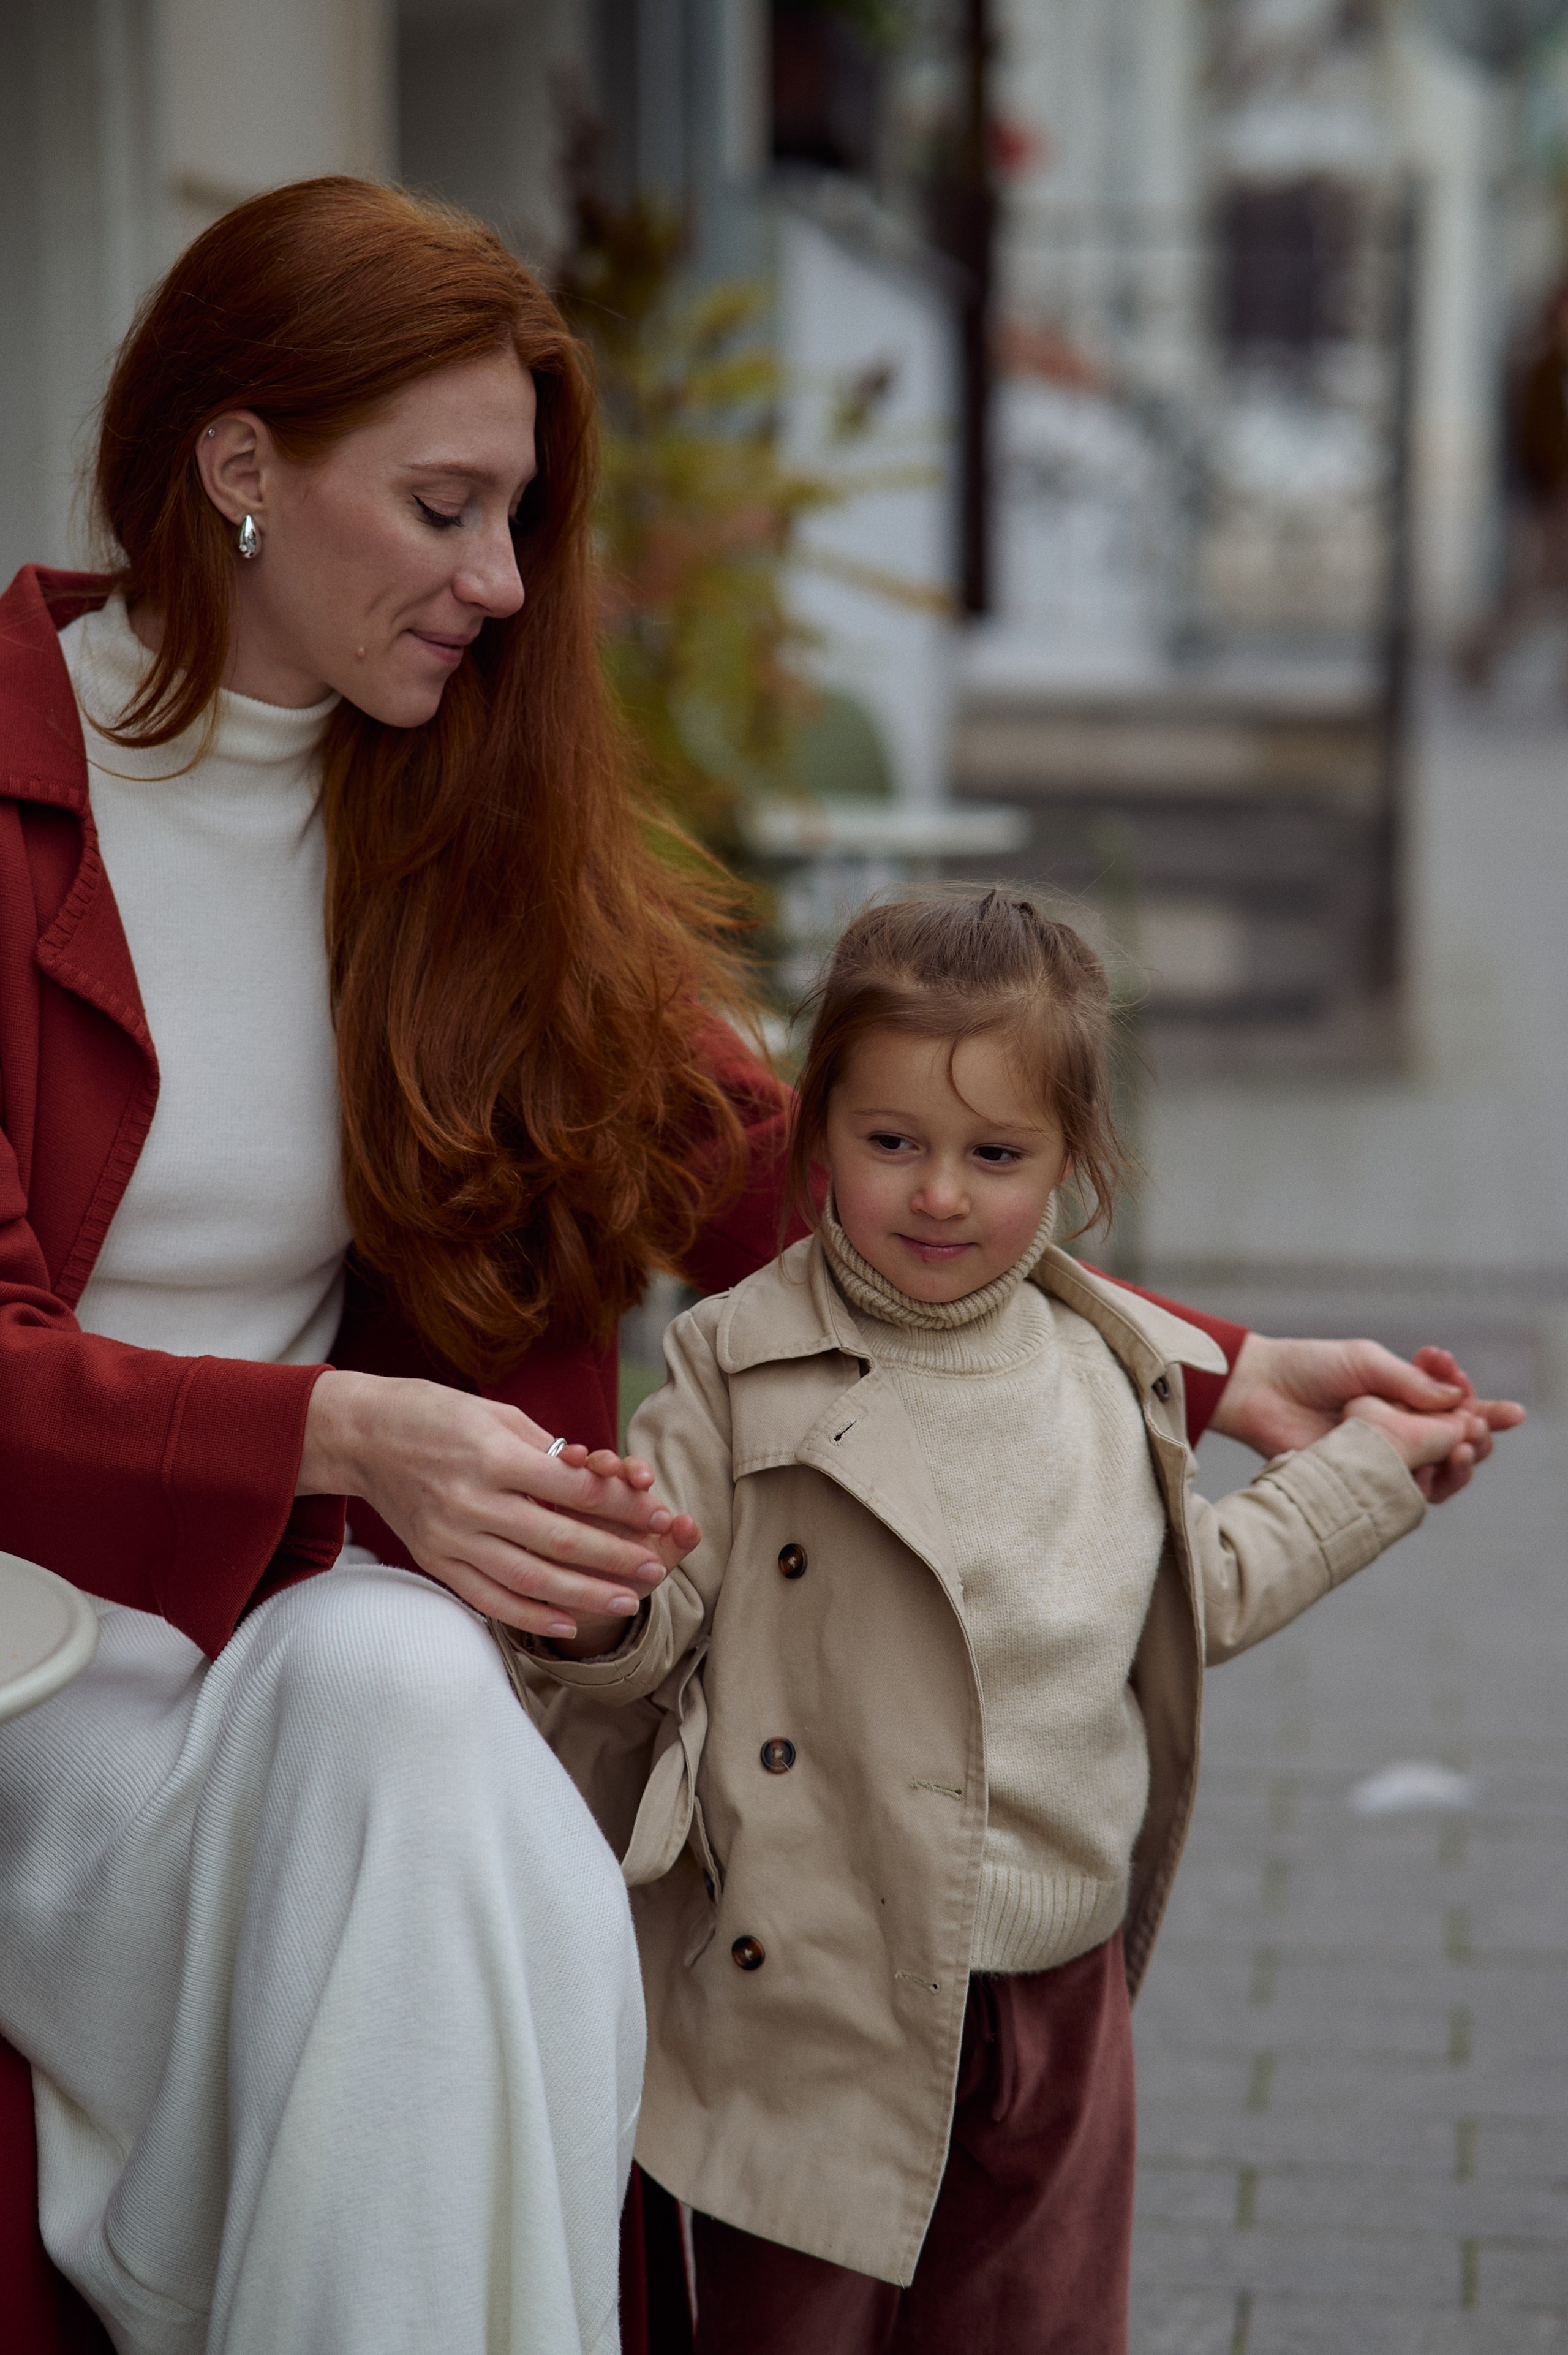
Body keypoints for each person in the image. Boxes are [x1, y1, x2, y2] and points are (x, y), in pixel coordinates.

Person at [0, 177, 1517, 2355]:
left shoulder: (427, 798)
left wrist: (1217, 1363)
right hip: (37, 1664)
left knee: (408, 1681)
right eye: (443, 508)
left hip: (285, 1646)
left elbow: (755, 1156)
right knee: (417, 1747)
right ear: (238, 464)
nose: (501, 585)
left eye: (518, 517)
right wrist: (332, 1427)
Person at [508, 889, 1510, 2355]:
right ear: (814, 1136)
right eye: (890, 1141)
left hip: (1052, 1992)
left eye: (994, 1154)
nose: (936, 1193)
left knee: (1028, 2323)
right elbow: (659, 1631)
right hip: (813, 1984)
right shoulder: (735, 1360)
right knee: (788, 2322)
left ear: (1071, 1167)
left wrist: (1372, 1472)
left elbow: (1198, 1587)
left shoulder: (1104, 1369)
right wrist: (604, 1593)